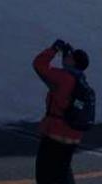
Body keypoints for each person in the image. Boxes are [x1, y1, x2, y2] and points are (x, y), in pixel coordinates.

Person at [32, 39, 92, 184]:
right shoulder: (82, 81)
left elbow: (39, 64)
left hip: (55, 134)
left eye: (70, 57)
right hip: (73, 136)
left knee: (44, 175)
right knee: (63, 173)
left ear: (73, 62)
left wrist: (54, 49)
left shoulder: (63, 77)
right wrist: (66, 56)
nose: (66, 58)